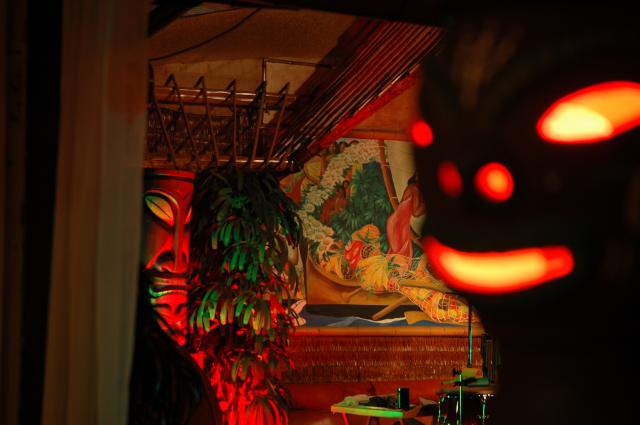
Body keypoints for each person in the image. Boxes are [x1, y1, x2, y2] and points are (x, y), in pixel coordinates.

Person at [128, 271, 221, 425]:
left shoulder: (179, 376)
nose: (178, 327)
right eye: (166, 314)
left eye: (181, 316)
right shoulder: (150, 369)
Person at [386, 173, 426, 258]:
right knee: (402, 255)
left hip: (398, 224)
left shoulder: (416, 188)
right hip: (397, 224)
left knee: (401, 256)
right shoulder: (414, 187)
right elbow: (416, 212)